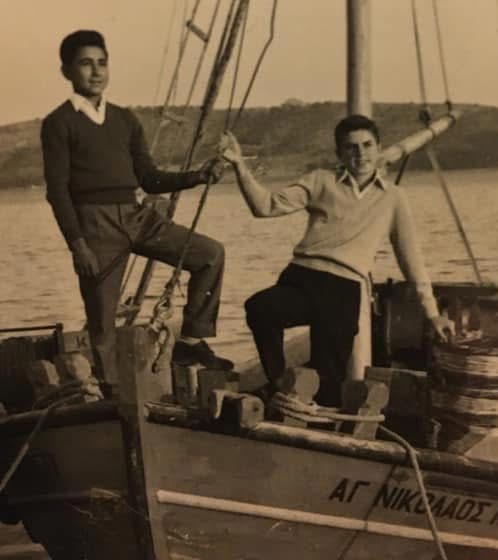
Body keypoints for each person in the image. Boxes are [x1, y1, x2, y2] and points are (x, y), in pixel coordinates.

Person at [41, 29, 232, 397]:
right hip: (94, 225)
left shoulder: (125, 120)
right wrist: (78, 245)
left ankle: (191, 339)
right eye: (85, 64)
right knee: (102, 322)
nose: (96, 71)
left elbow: (150, 178)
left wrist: (197, 176)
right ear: (67, 71)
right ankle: (115, 396)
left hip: (136, 215)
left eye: (102, 63)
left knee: (210, 254)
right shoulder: (59, 123)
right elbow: (57, 192)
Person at [220, 115, 452, 406]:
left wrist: (432, 313)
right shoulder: (321, 180)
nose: (360, 154)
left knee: (329, 381)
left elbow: (411, 258)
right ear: (339, 153)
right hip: (303, 277)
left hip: (344, 289)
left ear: (379, 148)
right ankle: (280, 387)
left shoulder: (393, 198)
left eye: (367, 145)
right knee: (260, 308)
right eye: (351, 147)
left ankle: (321, 416)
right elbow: (265, 207)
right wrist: (239, 165)